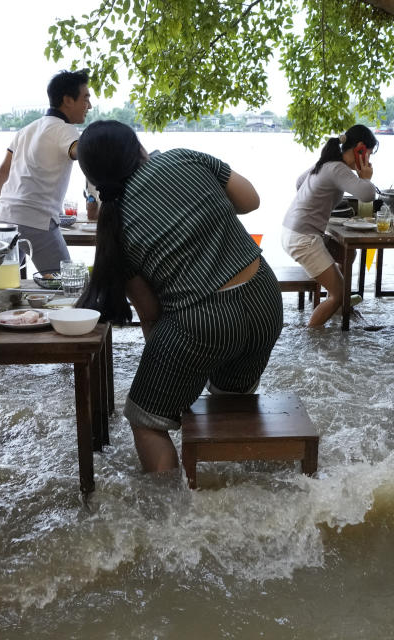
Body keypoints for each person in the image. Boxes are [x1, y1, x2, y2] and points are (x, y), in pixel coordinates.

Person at [76, 120, 283, 473]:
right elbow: (250, 200)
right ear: (137, 147)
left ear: (93, 178)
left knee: (147, 419)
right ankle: (238, 487)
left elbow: (152, 313)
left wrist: (169, 372)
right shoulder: (184, 158)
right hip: (265, 299)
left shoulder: (115, 224)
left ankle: (168, 519)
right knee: (230, 405)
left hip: (202, 321)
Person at [0, 69, 93, 272]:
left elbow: (0, 175)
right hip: (37, 221)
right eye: (86, 98)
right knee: (65, 283)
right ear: (67, 100)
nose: (89, 106)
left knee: (7, 290)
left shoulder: (25, 130)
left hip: (2, 219)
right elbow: (82, 152)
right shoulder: (64, 129)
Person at [281, 124, 378, 328]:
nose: (369, 160)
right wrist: (365, 177)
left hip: (292, 231)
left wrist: (316, 201)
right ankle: (312, 338)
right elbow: (368, 194)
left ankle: (341, 311)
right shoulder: (338, 168)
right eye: (368, 154)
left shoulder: (326, 163)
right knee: (338, 294)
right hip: (303, 239)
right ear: (360, 148)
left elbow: (299, 182)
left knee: (347, 254)